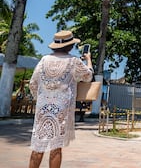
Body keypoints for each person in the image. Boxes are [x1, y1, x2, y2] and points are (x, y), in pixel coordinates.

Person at [28, 30, 93, 168]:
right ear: (70, 46)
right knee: (56, 148)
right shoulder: (73, 61)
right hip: (61, 109)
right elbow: (88, 77)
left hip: (43, 109)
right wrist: (88, 60)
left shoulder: (44, 60)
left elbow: (33, 84)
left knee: (38, 145)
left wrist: (40, 99)